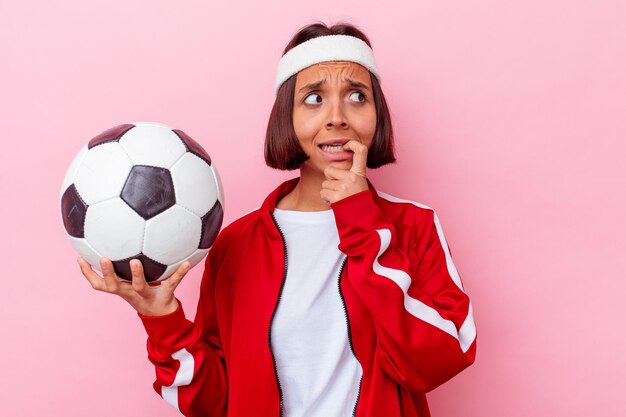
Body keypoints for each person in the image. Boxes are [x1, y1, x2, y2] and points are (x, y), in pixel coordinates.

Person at [79, 22, 477, 417]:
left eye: (357, 96)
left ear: (378, 114)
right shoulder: (236, 246)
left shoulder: (412, 226)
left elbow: (438, 359)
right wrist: (161, 319)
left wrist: (362, 222)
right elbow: (213, 402)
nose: (337, 117)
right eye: (314, 98)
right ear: (286, 115)